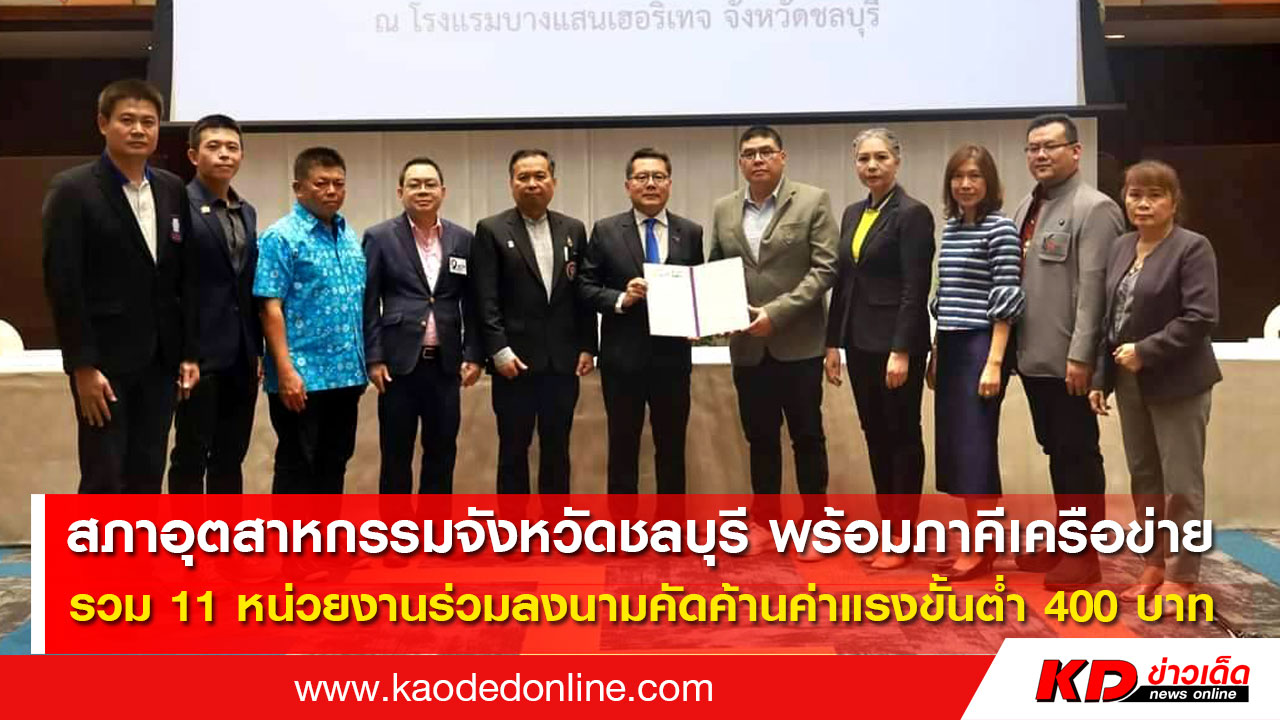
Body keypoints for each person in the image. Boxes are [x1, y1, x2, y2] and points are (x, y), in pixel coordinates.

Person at [42, 78, 200, 493]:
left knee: (147, 472)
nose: (138, 130)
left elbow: (181, 277)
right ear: (102, 123)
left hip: (161, 361)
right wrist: (82, 366)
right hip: (104, 363)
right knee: (104, 477)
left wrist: (188, 351)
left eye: (148, 122)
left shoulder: (171, 188)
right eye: (127, 120)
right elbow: (64, 284)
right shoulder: (73, 189)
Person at [1089, 160, 1220, 602]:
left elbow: (1201, 317)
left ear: (1173, 202)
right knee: (1144, 477)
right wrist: (1101, 378)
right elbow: (1111, 320)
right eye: (1134, 195)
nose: (1143, 204)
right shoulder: (1121, 247)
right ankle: (1153, 564)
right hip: (1130, 381)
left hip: (1179, 382)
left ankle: (1182, 575)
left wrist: (1146, 350)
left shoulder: (1192, 247)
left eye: (1154, 195)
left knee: (1180, 482)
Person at [709, 126, 838, 543]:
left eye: (766, 152)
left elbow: (825, 269)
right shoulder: (723, 209)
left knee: (807, 436)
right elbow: (717, 270)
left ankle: (816, 524)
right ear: (740, 162)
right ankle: (766, 521)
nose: (758, 159)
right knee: (760, 438)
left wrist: (776, 314)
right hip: (748, 348)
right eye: (749, 154)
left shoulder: (813, 200)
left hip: (799, 344)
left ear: (782, 157)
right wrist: (713, 314)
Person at [1012, 114, 1125, 589]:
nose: (1040, 155)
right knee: (1057, 450)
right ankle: (1067, 540)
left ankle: (1084, 556)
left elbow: (1096, 292)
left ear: (1075, 151)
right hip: (1033, 357)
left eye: (1050, 146)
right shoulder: (1027, 205)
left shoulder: (1094, 208)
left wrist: (1083, 357)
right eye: (1033, 147)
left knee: (1078, 453)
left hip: (1068, 361)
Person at [823, 128, 934, 570]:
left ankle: (903, 536)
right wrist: (832, 342)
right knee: (875, 434)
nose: (871, 166)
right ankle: (889, 528)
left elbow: (915, 287)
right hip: (859, 342)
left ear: (897, 162)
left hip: (896, 346)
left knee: (902, 435)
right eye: (863, 159)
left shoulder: (913, 214)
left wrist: (902, 349)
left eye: (881, 157)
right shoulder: (853, 213)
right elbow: (844, 282)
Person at [470, 149, 597, 494]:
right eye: (523, 177)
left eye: (540, 176)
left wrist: (588, 345)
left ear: (553, 182)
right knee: (513, 450)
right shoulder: (491, 230)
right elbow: (485, 299)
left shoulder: (573, 229)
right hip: (514, 363)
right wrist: (498, 350)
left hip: (562, 363)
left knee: (558, 450)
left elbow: (581, 294)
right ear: (511, 183)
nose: (532, 184)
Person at [579, 148, 704, 494]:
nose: (650, 184)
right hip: (623, 360)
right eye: (642, 177)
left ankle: (671, 523)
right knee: (622, 448)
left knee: (672, 449)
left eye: (658, 177)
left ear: (669, 184)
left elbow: (698, 287)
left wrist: (698, 321)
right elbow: (585, 288)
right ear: (628, 185)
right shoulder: (606, 231)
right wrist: (621, 298)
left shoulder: (690, 232)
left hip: (673, 360)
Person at [926, 144, 1024, 580]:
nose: (965, 184)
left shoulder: (1000, 229)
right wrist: (936, 352)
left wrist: (994, 362)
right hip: (950, 345)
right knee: (957, 452)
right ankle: (979, 543)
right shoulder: (952, 228)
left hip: (980, 347)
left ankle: (981, 550)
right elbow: (946, 295)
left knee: (976, 449)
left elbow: (1006, 299)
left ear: (989, 183)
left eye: (974, 176)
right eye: (958, 176)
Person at [363, 157, 483, 494]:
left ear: (443, 191)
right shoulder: (380, 237)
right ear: (400, 192)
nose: (423, 190)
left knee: (442, 454)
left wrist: (474, 354)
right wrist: (374, 357)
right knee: (396, 456)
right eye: (414, 184)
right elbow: (368, 302)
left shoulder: (462, 239)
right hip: (397, 367)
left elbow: (473, 302)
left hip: (446, 366)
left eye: (430, 184)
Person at [253, 147, 366, 493]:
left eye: (338, 183)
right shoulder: (281, 237)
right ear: (298, 188)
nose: (332, 191)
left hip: (346, 375)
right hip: (301, 378)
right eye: (321, 183)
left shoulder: (348, 235)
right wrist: (285, 371)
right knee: (297, 466)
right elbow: (269, 307)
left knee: (335, 463)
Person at [168, 114, 261, 494]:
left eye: (232, 147)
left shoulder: (247, 211)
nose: (224, 154)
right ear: (193, 155)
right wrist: (184, 352)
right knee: (191, 454)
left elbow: (247, 285)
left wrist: (256, 349)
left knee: (230, 455)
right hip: (199, 355)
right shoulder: (177, 206)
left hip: (242, 354)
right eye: (214, 146)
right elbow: (174, 285)